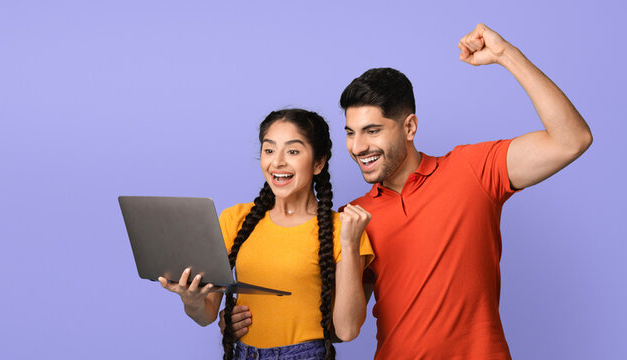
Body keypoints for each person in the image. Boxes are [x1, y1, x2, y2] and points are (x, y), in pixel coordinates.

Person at [224, 24, 593, 359]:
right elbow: (339, 326)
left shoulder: (472, 170)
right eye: (351, 132)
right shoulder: (354, 219)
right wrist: (242, 322)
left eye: (372, 130)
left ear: (409, 127)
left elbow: (571, 140)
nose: (357, 146)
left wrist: (505, 55)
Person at [160, 109, 375, 360]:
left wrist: (349, 245)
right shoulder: (234, 219)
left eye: (293, 151)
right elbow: (206, 315)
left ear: (318, 162)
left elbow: (347, 330)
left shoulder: (344, 229)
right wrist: (192, 300)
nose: (277, 162)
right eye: (269, 150)